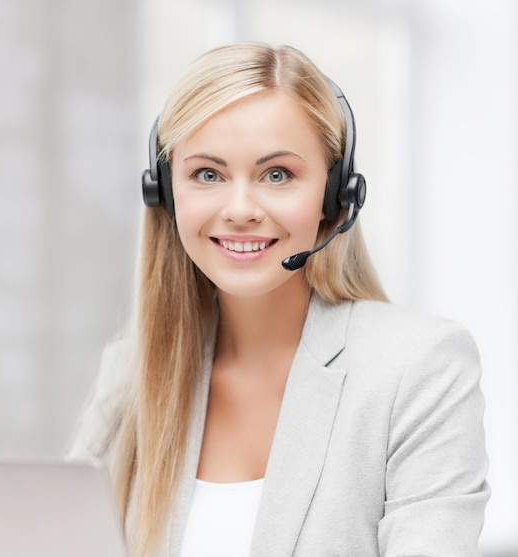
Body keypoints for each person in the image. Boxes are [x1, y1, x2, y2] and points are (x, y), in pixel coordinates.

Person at [67, 42, 490, 557]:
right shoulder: (131, 372)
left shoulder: (418, 368)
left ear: (335, 197)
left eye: (277, 175)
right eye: (208, 174)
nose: (240, 209)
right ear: (165, 192)